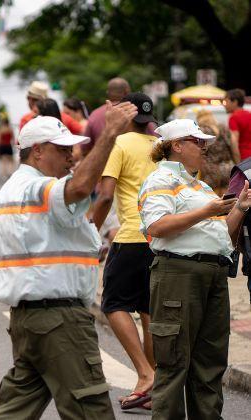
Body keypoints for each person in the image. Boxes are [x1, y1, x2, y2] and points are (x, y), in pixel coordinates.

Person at [0, 102, 138, 419]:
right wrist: (109, 132)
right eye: (62, 150)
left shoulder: (8, 194)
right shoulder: (38, 188)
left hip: (28, 319)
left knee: (14, 409)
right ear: (37, 151)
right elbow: (81, 187)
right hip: (60, 318)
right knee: (90, 409)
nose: (72, 157)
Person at [139, 119, 248, 419]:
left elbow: (221, 234)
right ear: (176, 146)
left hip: (211, 273)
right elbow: (157, 226)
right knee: (174, 363)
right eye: (197, 141)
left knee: (210, 365)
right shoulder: (160, 180)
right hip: (178, 273)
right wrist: (207, 210)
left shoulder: (199, 186)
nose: (203, 147)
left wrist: (239, 209)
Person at [91, 92, 158, 410]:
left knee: (113, 303)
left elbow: (105, 196)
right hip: (160, 239)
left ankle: (145, 375)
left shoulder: (118, 145)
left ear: (126, 116)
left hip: (131, 236)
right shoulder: (161, 146)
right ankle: (152, 384)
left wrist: (89, 234)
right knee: (148, 310)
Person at [83, 77, 131, 155]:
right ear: (127, 92)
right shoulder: (135, 112)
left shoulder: (95, 114)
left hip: (101, 165)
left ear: (108, 92)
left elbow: (85, 149)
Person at [197, 109, 234, 196]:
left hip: (209, 169)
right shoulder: (223, 127)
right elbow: (233, 147)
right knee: (227, 199)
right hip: (227, 168)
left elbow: (199, 152)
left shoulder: (201, 131)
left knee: (212, 198)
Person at [224, 88, 251, 163]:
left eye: (226, 102)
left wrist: (238, 164)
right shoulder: (249, 114)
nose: (224, 105)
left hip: (243, 159)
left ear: (235, 102)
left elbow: (234, 143)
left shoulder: (234, 117)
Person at [0, 115, 15, 179]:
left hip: (2, 146)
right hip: (8, 145)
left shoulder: (0, 130)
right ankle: (10, 172)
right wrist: (13, 146)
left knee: (3, 161)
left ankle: (4, 175)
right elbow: (13, 139)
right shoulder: (10, 129)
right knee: (11, 161)